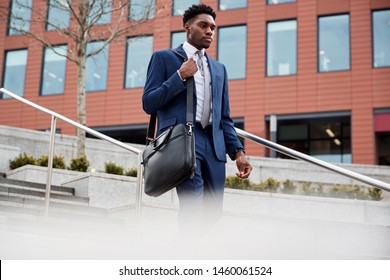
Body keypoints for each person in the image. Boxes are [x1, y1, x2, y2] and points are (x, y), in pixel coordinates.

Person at [142, 4, 252, 235]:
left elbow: (225, 118)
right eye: (203, 25)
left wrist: (239, 153)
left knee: (214, 211)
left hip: (214, 145)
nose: (209, 31)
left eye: (212, 27)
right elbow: (148, 103)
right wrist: (180, 76)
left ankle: (184, 252)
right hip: (182, 142)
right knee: (193, 205)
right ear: (187, 27)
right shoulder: (164, 58)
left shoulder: (219, 69)